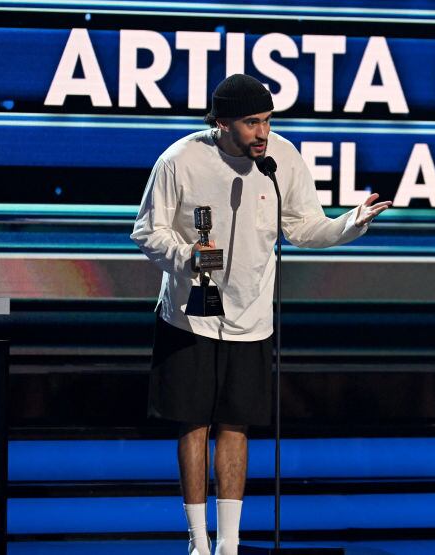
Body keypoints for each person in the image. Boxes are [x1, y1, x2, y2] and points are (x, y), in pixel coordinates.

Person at [131, 73, 391, 555]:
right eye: (252, 123)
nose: (262, 133)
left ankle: (229, 543)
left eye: (267, 122)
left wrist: (348, 226)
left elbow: (304, 227)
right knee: (193, 422)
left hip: (251, 315)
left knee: (236, 423)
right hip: (191, 314)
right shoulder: (179, 160)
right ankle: (198, 541)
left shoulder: (282, 160)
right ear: (222, 123)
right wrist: (187, 256)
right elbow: (148, 231)